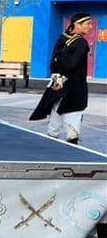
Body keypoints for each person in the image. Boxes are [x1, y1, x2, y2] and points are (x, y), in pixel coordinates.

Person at [30, 13, 93, 144]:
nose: (91, 27)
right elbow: (71, 64)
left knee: (59, 108)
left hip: (61, 82)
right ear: (77, 25)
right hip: (73, 85)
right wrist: (61, 79)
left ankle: (54, 137)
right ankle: (70, 141)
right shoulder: (79, 42)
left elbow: (56, 61)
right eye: (88, 24)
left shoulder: (64, 39)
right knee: (71, 111)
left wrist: (57, 78)